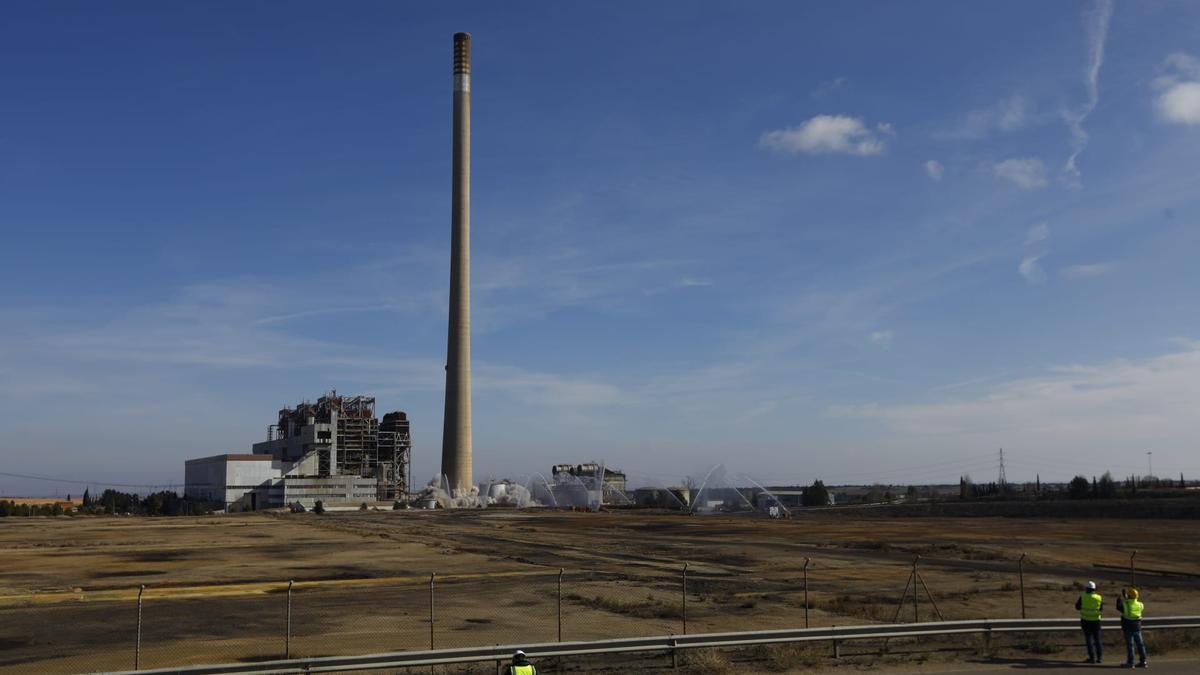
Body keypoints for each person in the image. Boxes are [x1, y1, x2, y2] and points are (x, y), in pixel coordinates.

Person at [1117, 587, 1148, 668]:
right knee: (1140, 644)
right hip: (1137, 626)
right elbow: (1132, 603)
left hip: (1128, 627)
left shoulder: (1125, 604)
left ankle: (1130, 662)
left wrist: (1119, 598)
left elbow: (1119, 606)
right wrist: (1126, 598)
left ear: (1129, 596)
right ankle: (1143, 661)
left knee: (1130, 645)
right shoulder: (1141, 605)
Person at [1075, 580, 1104, 663]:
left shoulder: (1083, 596)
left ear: (1087, 588)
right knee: (1098, 639)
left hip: (1086, 620)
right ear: (1094, 589)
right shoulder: (1099, 597)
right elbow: (1101, 608)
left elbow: (1077, 607)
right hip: (1096, 621)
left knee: (1089, 640)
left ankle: (1092, 658)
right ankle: (1100, 657)